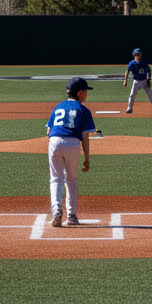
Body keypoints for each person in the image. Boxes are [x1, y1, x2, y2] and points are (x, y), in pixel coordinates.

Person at [46, 77, 96, 226]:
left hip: (54, 141)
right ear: (80, 93)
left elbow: (48, 131)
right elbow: (85, 136)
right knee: (71, 179)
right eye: (86, 91)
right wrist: (87, 158)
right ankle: (72, 215)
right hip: (72, 143)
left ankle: (56, 211)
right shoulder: (83, 109)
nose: (87, 93)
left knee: (56, 178)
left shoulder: (58, 106)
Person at [123, 47, 152, 114]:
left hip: (144, 81)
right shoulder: (132, 63)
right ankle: (129, 108)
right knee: (132, 95)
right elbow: (127, 72)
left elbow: (149, 71)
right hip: (136, 82)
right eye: (136, 55)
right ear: (134, 55)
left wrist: (148, 80)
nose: (138, 56)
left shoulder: (143, 62)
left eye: (139, 55)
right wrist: (125, 81)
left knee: (151, 95)